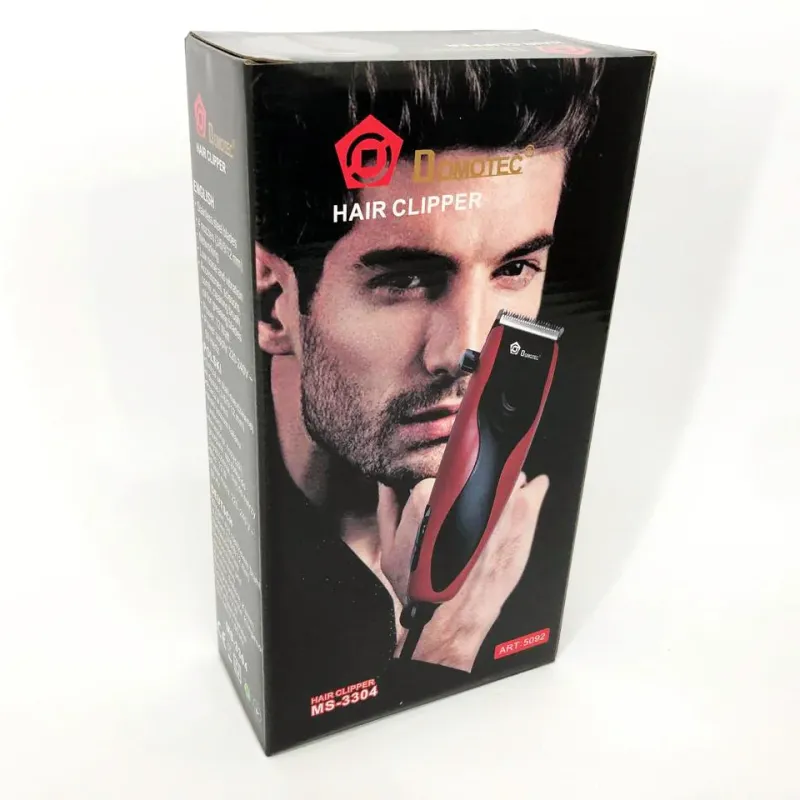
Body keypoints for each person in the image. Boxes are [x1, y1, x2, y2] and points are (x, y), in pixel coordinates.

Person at [251, 57, 604, 748]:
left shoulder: (540, 547)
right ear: (272, 305)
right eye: (407, 279)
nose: (467, 349)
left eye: (514, 269)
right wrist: (446, 642)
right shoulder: (268, 597)